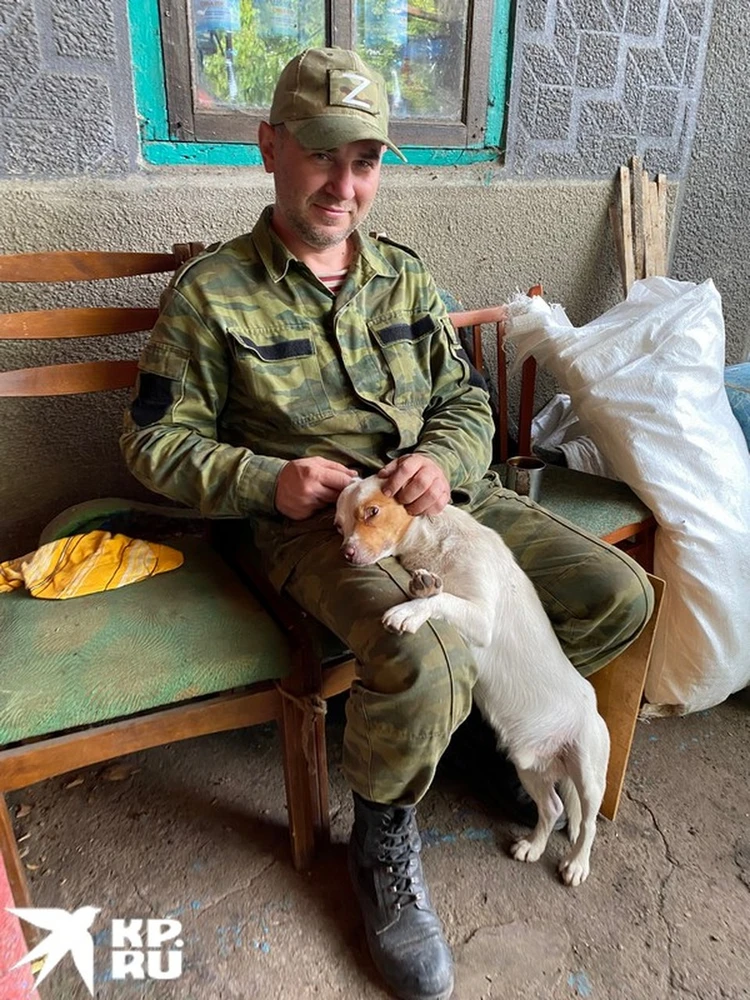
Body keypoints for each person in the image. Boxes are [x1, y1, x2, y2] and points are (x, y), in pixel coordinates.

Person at [121, 46, 654, 1000]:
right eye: (321, 154)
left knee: (615, 593)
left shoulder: (403, 276)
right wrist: (266, 478)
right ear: (269, 148)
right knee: (426, 651)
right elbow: (152, 442)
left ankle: (477, 733)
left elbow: (467, 400)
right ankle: (383, 836)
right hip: (319, 529)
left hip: (443, 511)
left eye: (363, 161)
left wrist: (442, 459)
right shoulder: (210, 294)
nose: (344, 184)